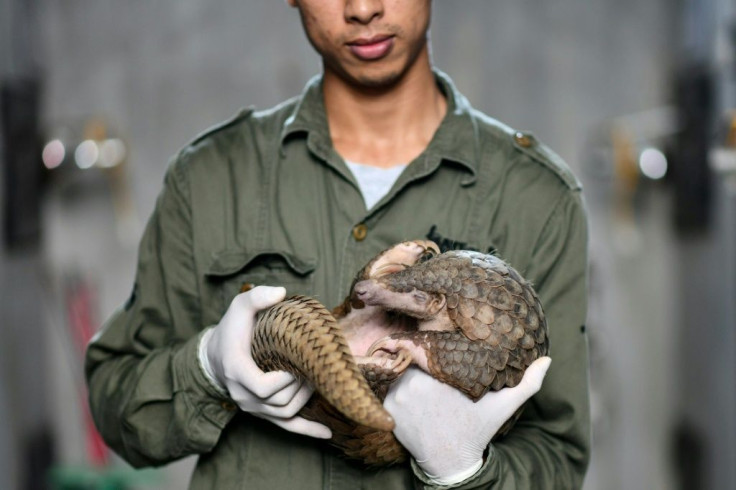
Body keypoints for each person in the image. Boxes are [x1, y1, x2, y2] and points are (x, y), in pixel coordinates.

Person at [85, 0, 590, 488]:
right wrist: (207, 368)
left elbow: (556, 453)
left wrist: (461, 472)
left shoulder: (538, 196)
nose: (363, 8)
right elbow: (115, 402)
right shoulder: (209, 177)